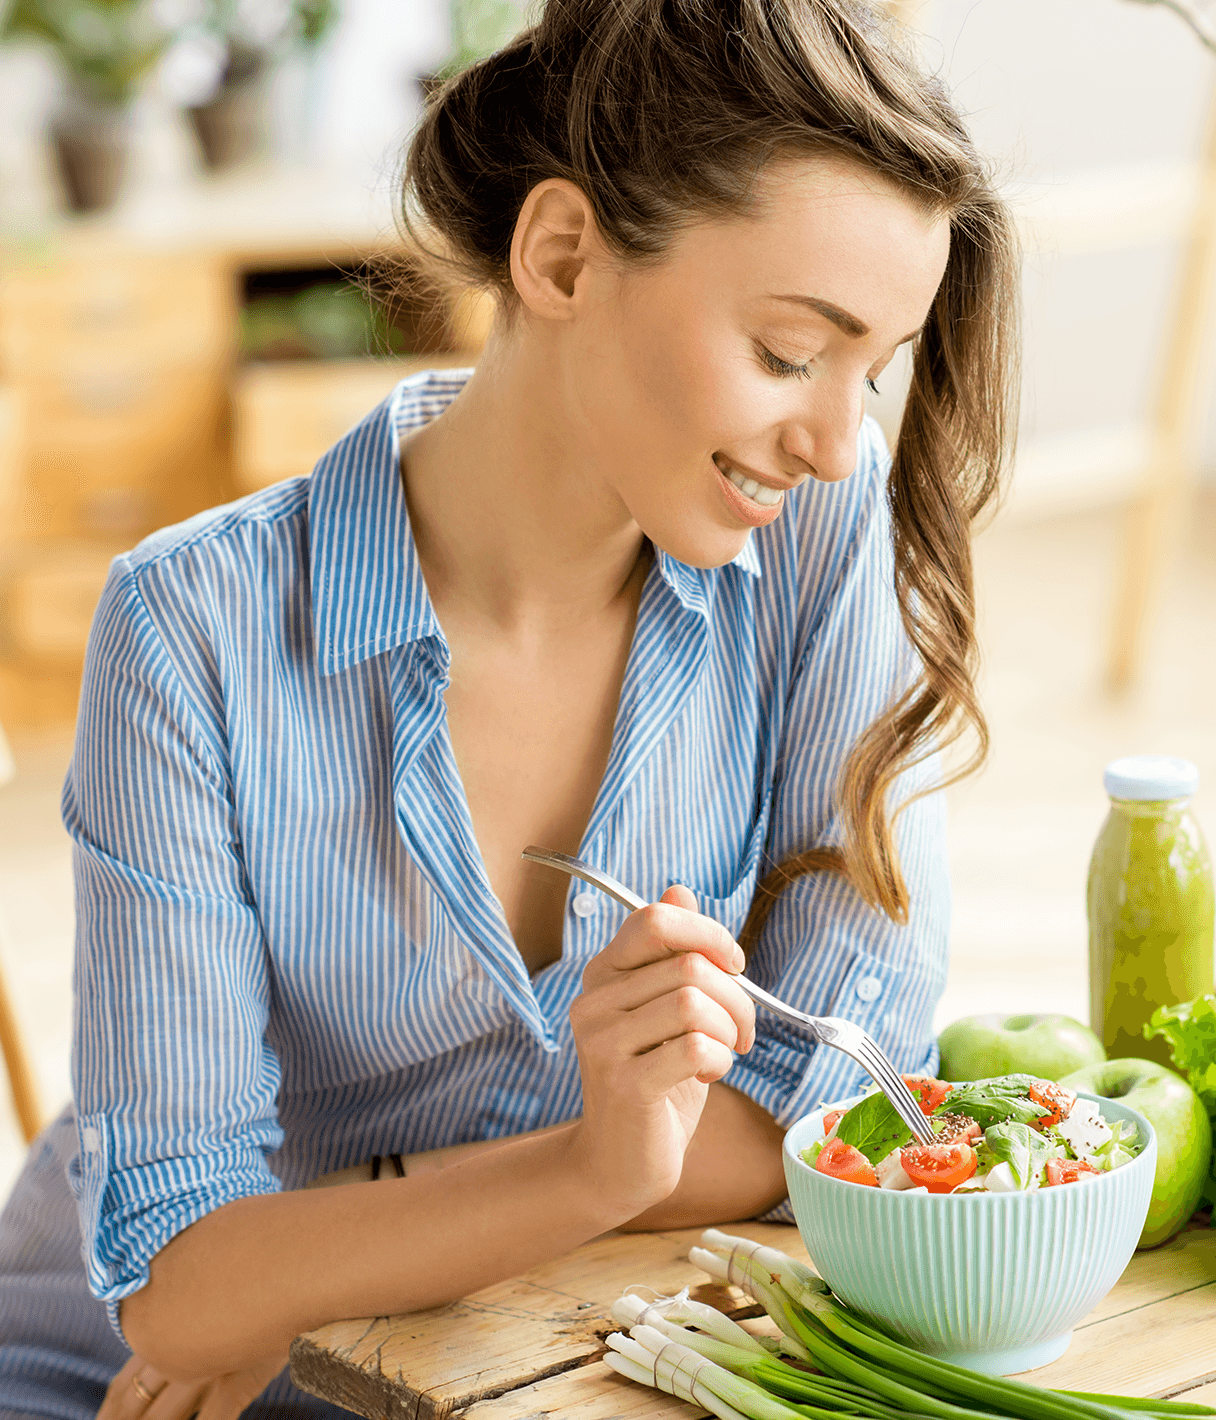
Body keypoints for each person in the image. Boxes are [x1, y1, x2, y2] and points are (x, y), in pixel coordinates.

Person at [0, 1, 1018, 1415]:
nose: (841, 443)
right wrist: (608, 1163)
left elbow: (840, 1099)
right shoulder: (194, 628)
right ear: (561, 256)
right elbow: (179, 1277)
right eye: (791, 352)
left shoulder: (811, 544)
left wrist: (326, 1235)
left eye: (875, 368)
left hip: (518, 1363)